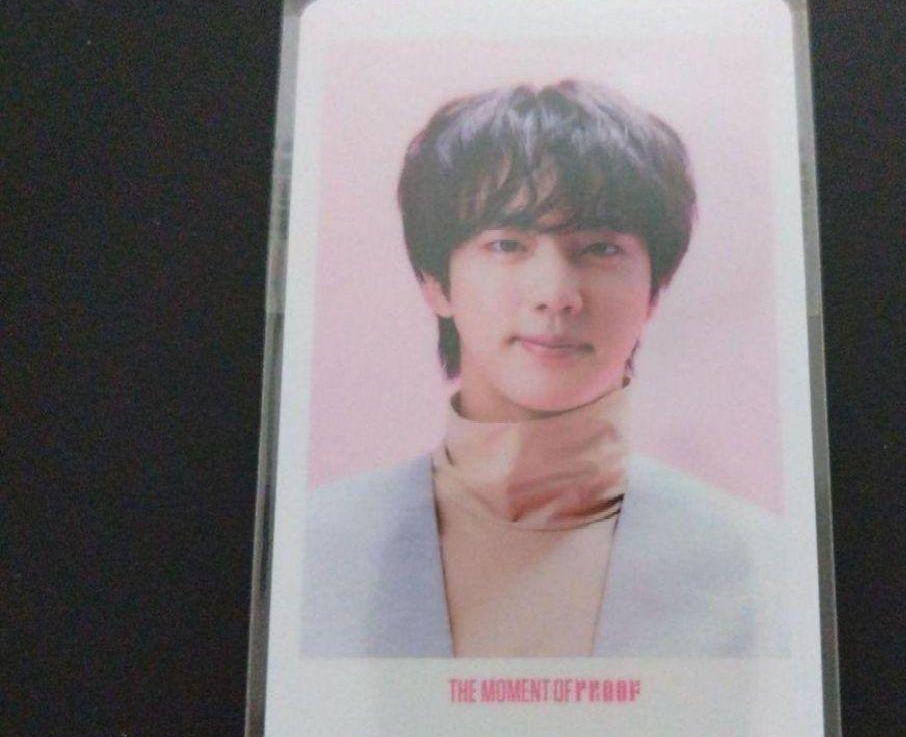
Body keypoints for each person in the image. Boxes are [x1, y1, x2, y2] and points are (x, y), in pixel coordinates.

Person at [302, 80, 786, 657]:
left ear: (653, 291)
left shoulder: (763, 564)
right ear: (436, 283)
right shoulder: (314, 546)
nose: (556, 295)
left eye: (601, 248)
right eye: (507, 244)